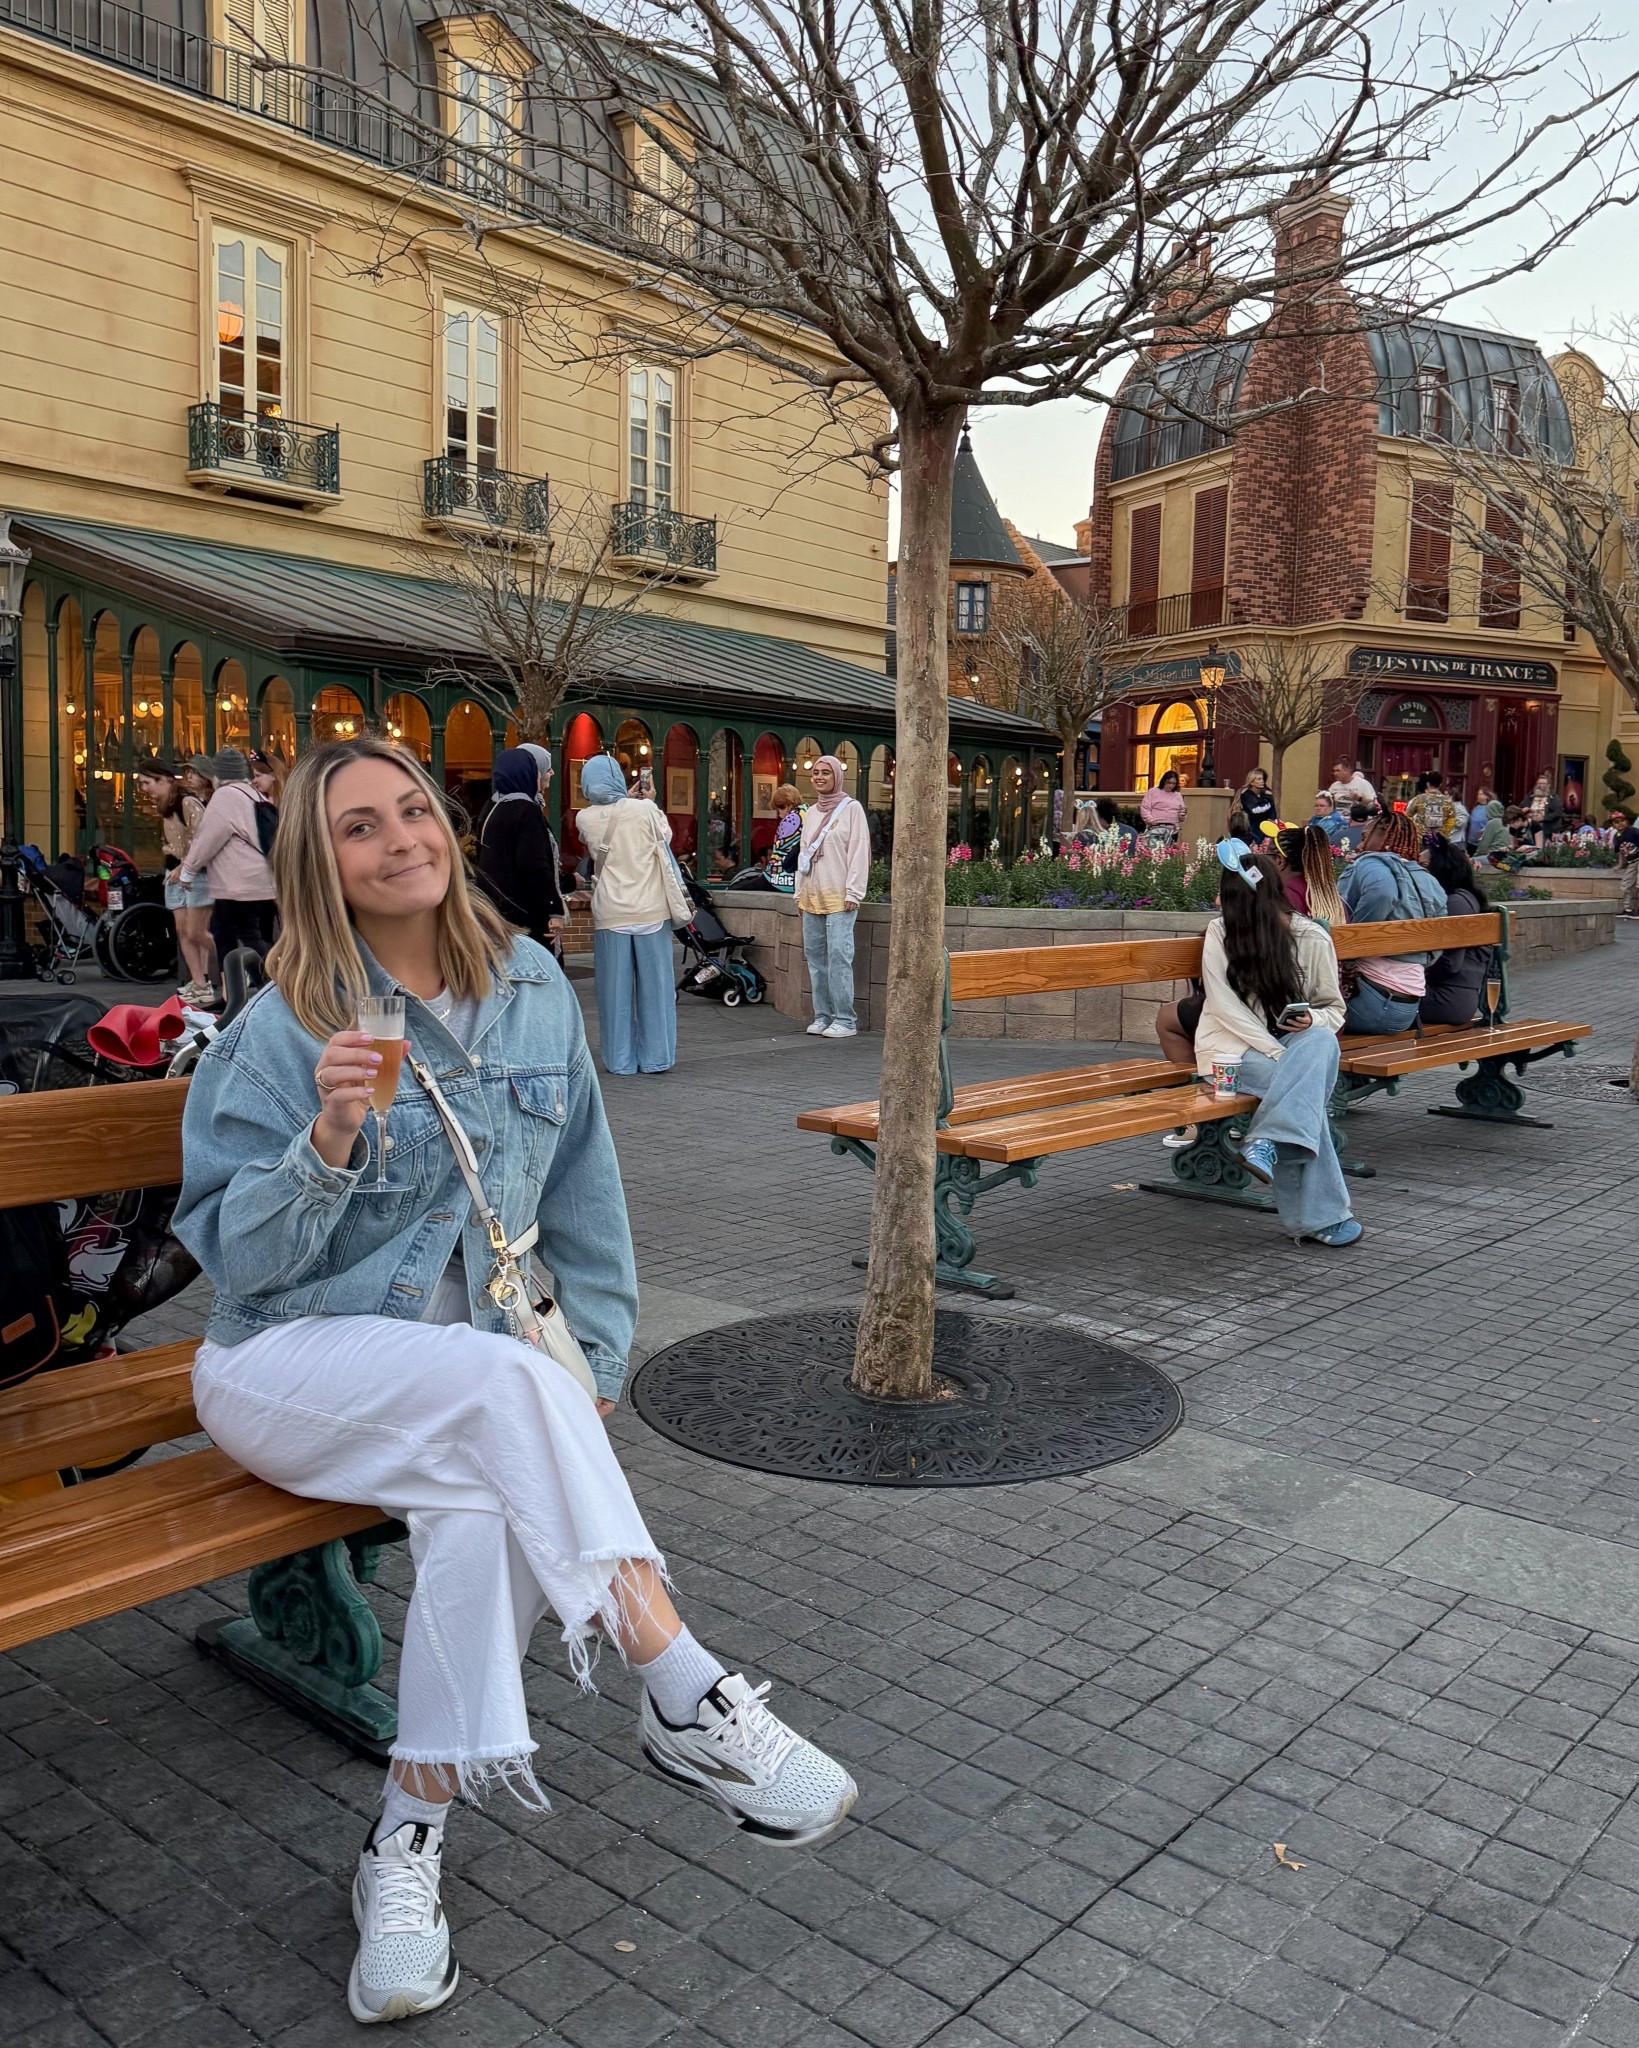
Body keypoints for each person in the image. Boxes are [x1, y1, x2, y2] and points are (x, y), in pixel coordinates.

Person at [171, 737, 855, 2027]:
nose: (401, 840)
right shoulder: (284, 1023)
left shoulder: (535, 982)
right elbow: (236, 1258)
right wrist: (326, 1139)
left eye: (415, 810)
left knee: (486, 1504)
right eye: (361, 826)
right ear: (322, 858)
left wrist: (589, 1361)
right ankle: (687, 1686)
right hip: (286, 1360)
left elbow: (586, 1195)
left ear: (450, 824)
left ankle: (404, 1848)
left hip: (483, 1375)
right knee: (498, 1397)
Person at [1195, 838, 1360, 1247]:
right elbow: (1222, 1005)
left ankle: (1266, 1141)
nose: (1225, 909)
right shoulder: (1219, 932)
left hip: (1296, 1046)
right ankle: (1323, 1218)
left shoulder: (1310, 939)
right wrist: (1275, 1050)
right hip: (1233, 1051)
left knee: (1321, 1040)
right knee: (1302, 1101)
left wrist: (1312, 1019)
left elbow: (1332, 1010)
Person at [575, 754, 681, 1076]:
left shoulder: (584, 818)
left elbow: (592, 842)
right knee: (656, 991)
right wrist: (649, 801)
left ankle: (619, 1061)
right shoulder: (646, 809)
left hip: (611, 913)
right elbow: (666, 838)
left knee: (614, 993)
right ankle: (656, 1057)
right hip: (650, 910)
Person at [1336, 808, 1448, 1035]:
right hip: (1408, 1009)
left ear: (1383, 833)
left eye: (1366, 835)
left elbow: (1382, 893)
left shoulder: (1370, 863)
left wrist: (1356, 941)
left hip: (1370, 1004)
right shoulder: (1426, 877)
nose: (1361, 842)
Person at [178, 746, 279, 963]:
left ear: (218, 774)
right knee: (252, 936)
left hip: (237, 884)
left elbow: (207, 839)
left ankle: (268, 984)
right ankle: (254, 985)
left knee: (229, 938)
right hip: (262, 879)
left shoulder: (225, 796)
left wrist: (187, 872)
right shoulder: (255, 794)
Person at [796, 755, 870, 1039]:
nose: (819, 777)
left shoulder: (852, 809)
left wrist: (854, 891)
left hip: (840, 897)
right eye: (815, 772)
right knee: (815, 959)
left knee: (839, 957)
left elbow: (859, 851)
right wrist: (798, 893)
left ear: (837, 776)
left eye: (826, 772)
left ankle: (845, 1019)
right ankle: (822, 1016)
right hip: (812, 896)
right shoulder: (811, 812)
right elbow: (804, 854)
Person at [135, 754, 218, 1004]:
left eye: (147, 782)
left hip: (194, 872)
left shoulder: (187, 802)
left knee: (197, 931)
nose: (144, 789)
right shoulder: (165, 806)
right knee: (183, 929)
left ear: (165, 780)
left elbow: (202, 839)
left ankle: (227, 969)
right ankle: (199, 981)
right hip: (174, 870)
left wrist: (183, 866)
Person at [475, 748, 566, 950]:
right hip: (526, 916)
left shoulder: (492, 808)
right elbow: (535, 865)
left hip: (496, 915)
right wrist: (554, 910)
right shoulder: (527, 811)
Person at [1419, 837, 1492, 1025]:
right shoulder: (1462, 898)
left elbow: (1449, 964)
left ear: (1442, 868)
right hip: (1452, 996)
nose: (1418, 872)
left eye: (1423, 866)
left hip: (1447, 999)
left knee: (1381, 1006)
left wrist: (1414, 972)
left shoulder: (1456, 903)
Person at [767, 783, 803, 892]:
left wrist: (769, 872)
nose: (779, 813)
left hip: (783, 878)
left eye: (780, 808)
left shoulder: (791, 819)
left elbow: (780, 850)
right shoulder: (806, 813)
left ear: (787, 805)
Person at [1406, 770, 1457, 840]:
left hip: (1421, 839)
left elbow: (1407, 816)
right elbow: (1452, 820)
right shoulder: (1447, 801)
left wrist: (1416, 830)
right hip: (1439, 841)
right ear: (1440, 784)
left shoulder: (1419, 799)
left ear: (1427, 784)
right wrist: (1443, 833)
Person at [1139, 770, 1187, 842]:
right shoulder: (1153, 792)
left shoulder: (1178, 795)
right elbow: (1145, 808)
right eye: (1169, 782)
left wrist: (1182, 815)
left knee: (1169, 851)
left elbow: (1182, 813)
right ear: (1164, 781)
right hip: (1155, 828)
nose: (1171, 785)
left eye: (1173, 783)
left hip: (1172, 829)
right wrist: (1150, 820)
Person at [1612, 807, 1639, 919]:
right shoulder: (1617, 837)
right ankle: (1627, 909)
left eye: (1622, 821)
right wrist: (1620, 864)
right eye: (1616, 822)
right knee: (1626, 885)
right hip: (1632, 862)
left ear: (1626, 821)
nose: (1620, 824)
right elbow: (1620, 853)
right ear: (1613, 824)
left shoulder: (1632, 831)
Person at [1237, 768, 1277, 840]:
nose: (1262, 781)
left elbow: (1273, 813)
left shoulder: (1266, 794)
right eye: (1258, 779)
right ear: (1251, 782)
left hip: (1267, 833)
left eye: (1262, 779)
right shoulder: (1246, 795)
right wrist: (1268, 799)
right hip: (1253, 833)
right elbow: (1256, 810)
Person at [1526, 773, 1565, 846]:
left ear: (1548, 785)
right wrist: (1525, 812)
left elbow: (1558, 813)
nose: (1540, 786)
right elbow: (1521, 807)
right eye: (1539, 783)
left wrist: (1543, 818)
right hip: (1529, 831)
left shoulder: (1554, 798)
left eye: (1543, 783)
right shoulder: (1530, 797)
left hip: (1545, 832)